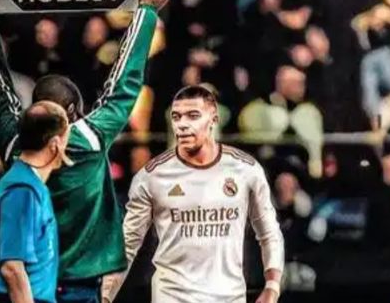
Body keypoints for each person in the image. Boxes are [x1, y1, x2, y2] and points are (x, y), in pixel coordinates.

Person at [0, 0, 171, 303]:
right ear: (73, 113)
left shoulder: (15, 145)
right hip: (78, 286)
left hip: (26, 288)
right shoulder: (91, 138)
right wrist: (146, 11)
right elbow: (124, 82)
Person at [102, 85, 284, 303]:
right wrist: (105, 296)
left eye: (193, 116)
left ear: (214, 120)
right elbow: (127, 244)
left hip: (227, 297)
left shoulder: (245, 169)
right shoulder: (152, 176)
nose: (183, 124)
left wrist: (272, 286)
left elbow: (269, 232)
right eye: (176, 117)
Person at [0, 101, 72, 303]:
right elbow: (12, 268)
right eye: (67, 136)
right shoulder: (22, 191)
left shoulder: (29, 185)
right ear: (55, 144)